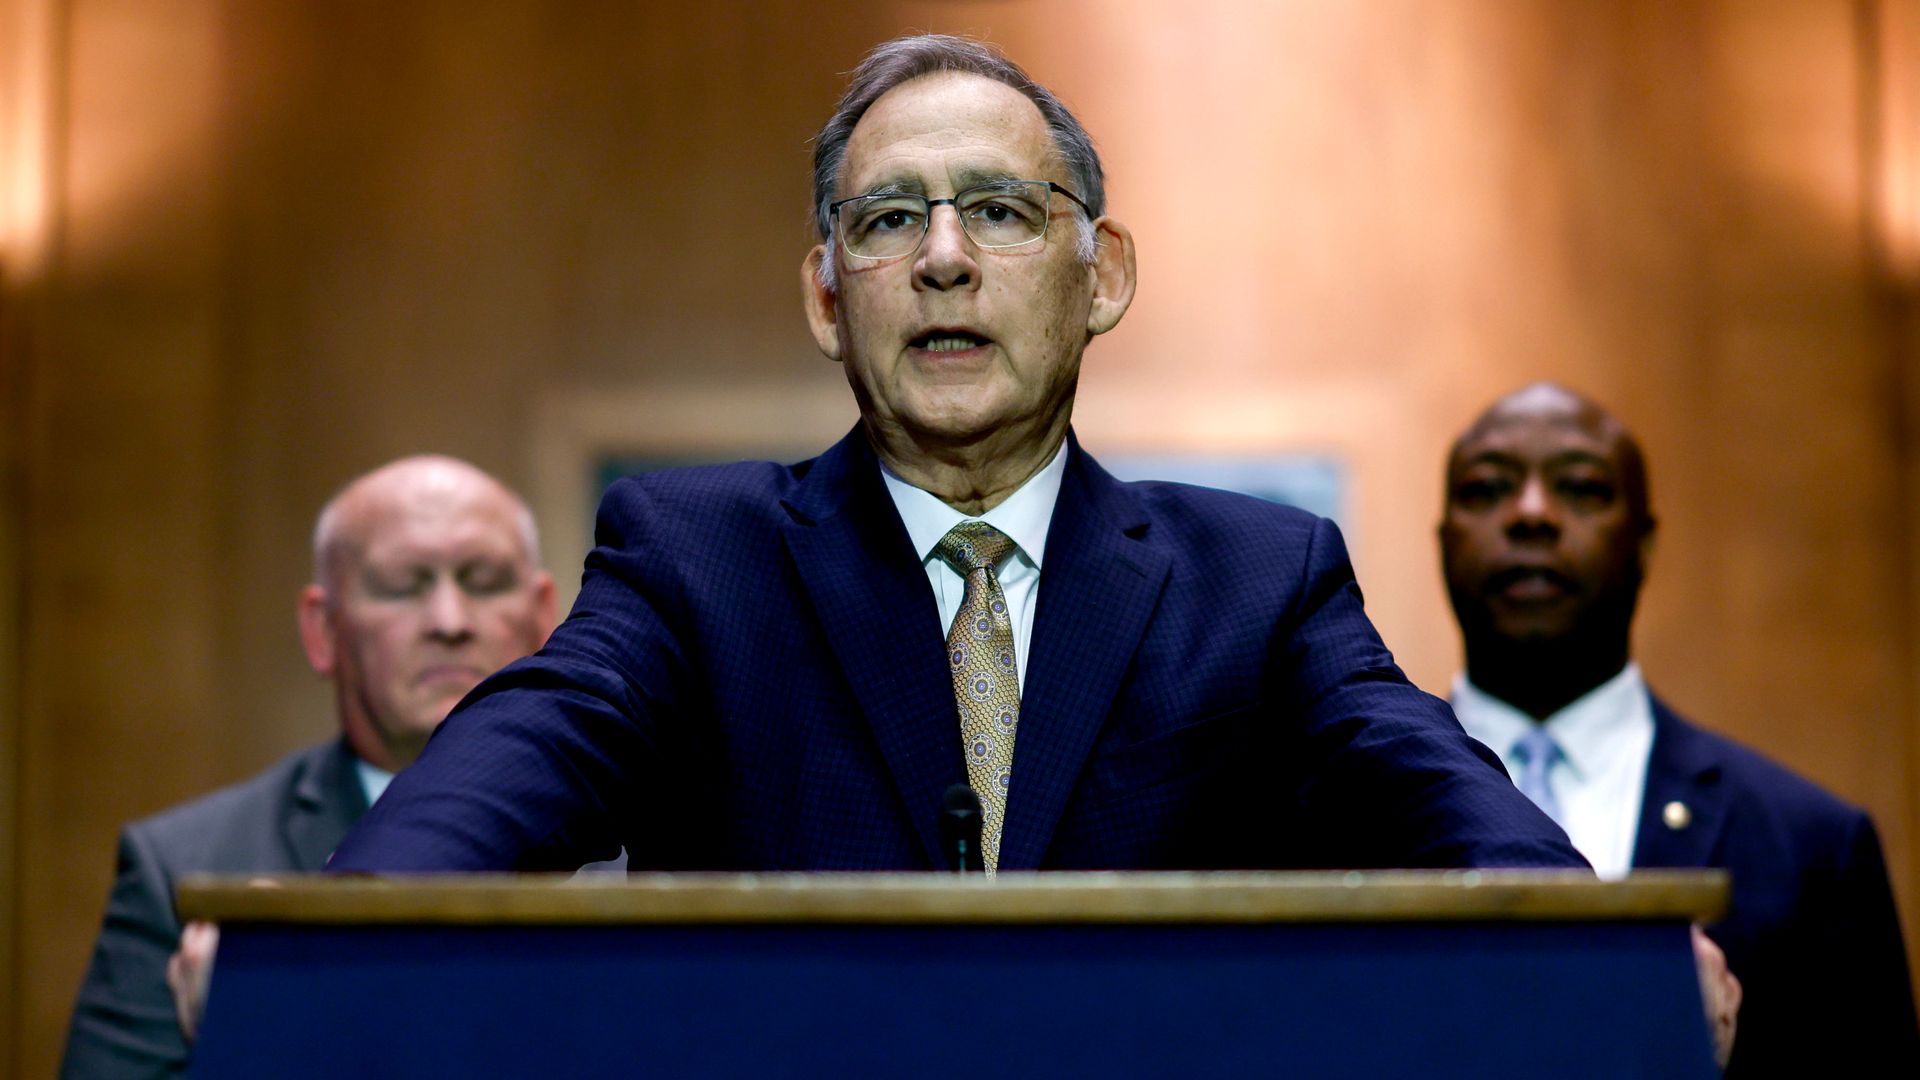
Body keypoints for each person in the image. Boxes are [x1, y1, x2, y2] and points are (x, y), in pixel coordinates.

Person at [330, 34, 1582, 877]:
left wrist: (1595, 943)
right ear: (828, 297)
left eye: (998, 210)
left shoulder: (1259, 581)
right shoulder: (693, 561)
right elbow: (535, 743)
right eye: (889, 219)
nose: (943, 257)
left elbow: (1427, 785)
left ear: (1105, 278)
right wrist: (338, 925)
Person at [1439, 382, 1918, 1076]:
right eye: (1487, 488)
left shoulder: (1813, 846)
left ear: (1645, 543)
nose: (1531, 513)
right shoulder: (1325, 819)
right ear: (1441, 541)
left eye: (1580, 487)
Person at [60, 455, 561, 1080]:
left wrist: (281, 1021)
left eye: (484, 581)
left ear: (544, 618)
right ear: (323, 629)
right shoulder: (183, 867)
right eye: (403, 585)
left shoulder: (652, 850)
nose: (449, 622)